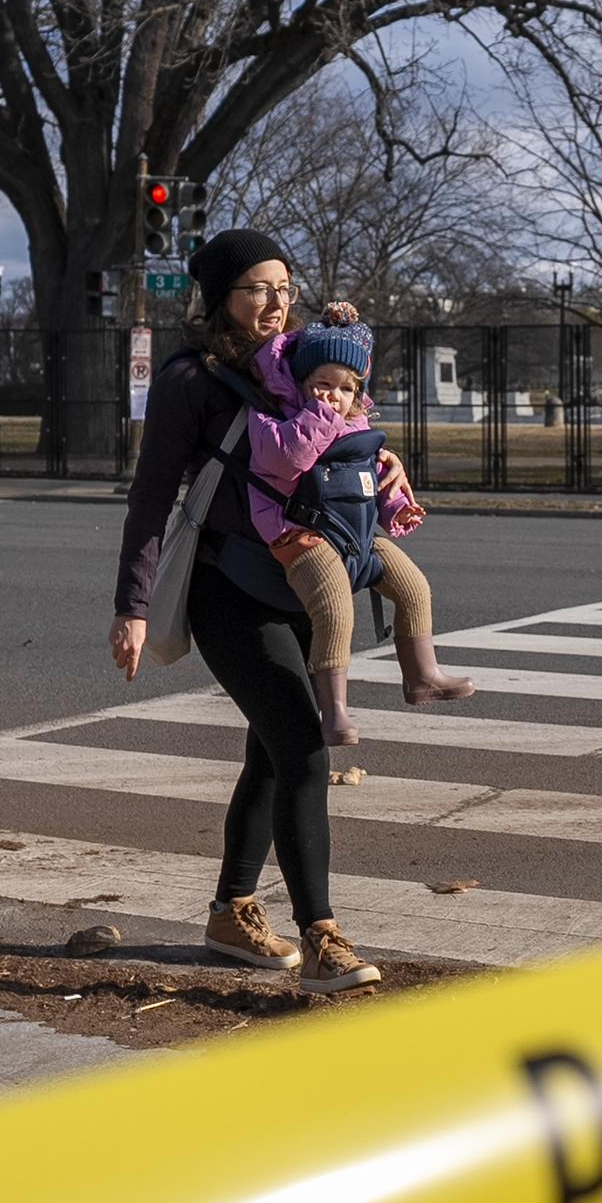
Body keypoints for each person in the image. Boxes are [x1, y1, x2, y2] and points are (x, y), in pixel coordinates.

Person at [107, 230, 397, 993]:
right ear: (219, 299)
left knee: (270, 755)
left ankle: (231, 914)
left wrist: (376, 455)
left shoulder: (300, 361)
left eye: (282, 287)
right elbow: (150, 498)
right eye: (256, 288)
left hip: (299, 585)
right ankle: (322, 934)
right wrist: (132, 607)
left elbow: (338, 429)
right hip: (227, 591)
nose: (274, 302)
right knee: (302, 746)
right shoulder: (189, 380)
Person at [248, 301, 474, 745]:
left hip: (357, 533)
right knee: (336, 606)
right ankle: (333, 709)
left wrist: (396, 507)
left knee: (414, 587)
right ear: (300, 382)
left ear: (359, 393)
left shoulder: (356, 429)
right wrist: (319, 416)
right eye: (322, 385)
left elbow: (370, 480)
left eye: (345, 389)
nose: (333, 396)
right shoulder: (272, 419)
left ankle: (422, 674)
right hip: (300, 533)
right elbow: (286, 458)